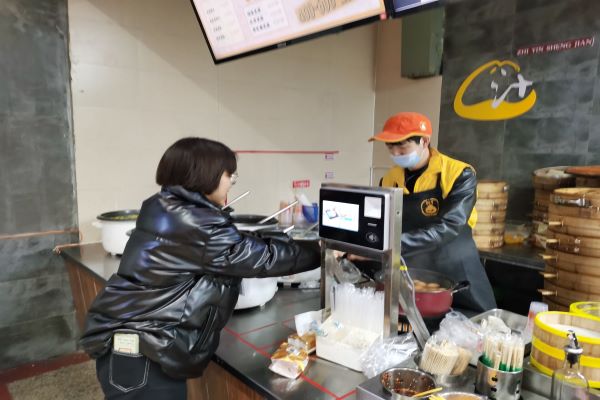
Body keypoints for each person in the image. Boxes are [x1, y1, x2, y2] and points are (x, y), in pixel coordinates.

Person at [79, 137, 320, 399]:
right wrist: (323, 250)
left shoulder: (166, 207)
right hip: (145, 354)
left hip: (134, 346)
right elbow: (261, 257)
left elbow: (238, 244)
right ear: (207, 174)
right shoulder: (197, 222)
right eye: (229, 174)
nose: (231, 181)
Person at [369, 112, 496, 313]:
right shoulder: (389, 179)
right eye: (390, 147)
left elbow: (450, 226)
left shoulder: (459, 174)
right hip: (413, 268)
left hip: (457, 266)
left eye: (402, 146)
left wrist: (391, 245)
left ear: (424, 141)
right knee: (414, 322)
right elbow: (380, 222)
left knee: (474, 322)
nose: (396, 153)